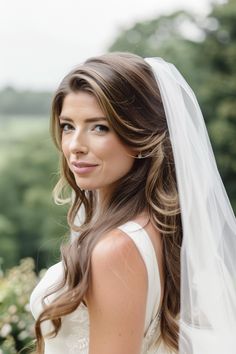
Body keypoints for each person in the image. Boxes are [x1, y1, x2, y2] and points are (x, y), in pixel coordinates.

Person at [30, 52, 236, 354]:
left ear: (140, 134)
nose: (75, 146)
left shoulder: (117, 249)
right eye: (67, 126)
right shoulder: (158, 227)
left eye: (99, 127)